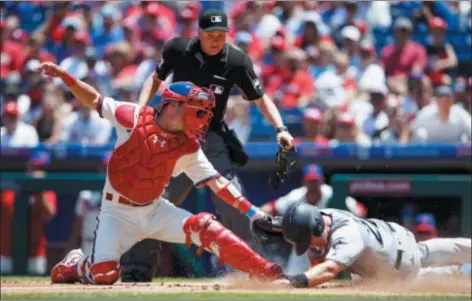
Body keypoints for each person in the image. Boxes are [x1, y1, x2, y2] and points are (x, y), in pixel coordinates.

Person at [35, 62, 284, 285]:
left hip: (154, 209)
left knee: (204, 227)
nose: (202, 118)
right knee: (104, 275)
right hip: (116, 213)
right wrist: (65, 76)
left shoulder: (188, 145)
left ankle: (265, 270)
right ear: (174, 105)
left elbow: (218, 183)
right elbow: (95, 100)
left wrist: (254, 214)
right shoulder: (133, 117)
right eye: (197, 110)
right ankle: (78, 263)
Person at [132, 8, 294, 280]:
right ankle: (135, 269)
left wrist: (281, 128)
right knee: (156, 200)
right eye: (211, 35)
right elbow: (155, 79)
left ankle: (254, 272)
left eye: (221, 34)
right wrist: (139, 110)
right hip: (175, 137)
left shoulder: (237, 61)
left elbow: (260, 98)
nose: (217, 40)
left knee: (234, 202)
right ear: (199, 32)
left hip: (211, 139)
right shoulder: (178, 49)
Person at [279, 202, 471, 288]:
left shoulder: (347, 234)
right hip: (400, 243)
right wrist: (276, 224)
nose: (309, 246)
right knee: (434, 251)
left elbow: (329, 270)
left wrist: (293, 282)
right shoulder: (323, 215)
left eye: (307, 240)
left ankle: (461, 272)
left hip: (400, 271)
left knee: (447, 274)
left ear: (318, 227)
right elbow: (303, 221)